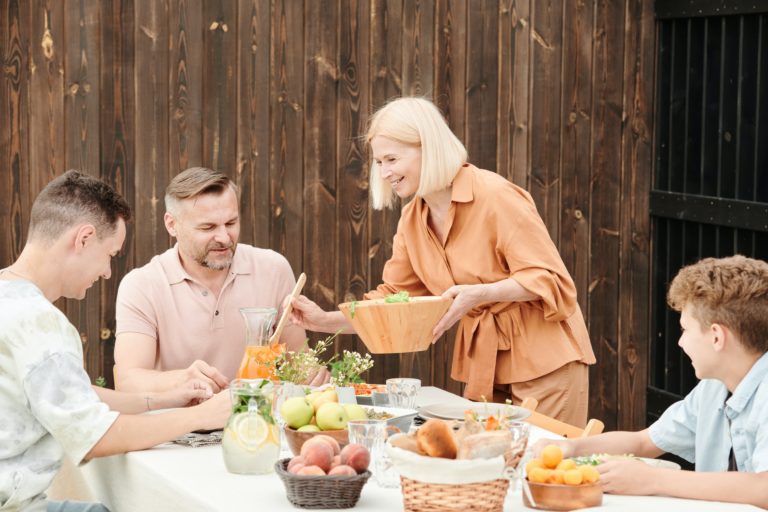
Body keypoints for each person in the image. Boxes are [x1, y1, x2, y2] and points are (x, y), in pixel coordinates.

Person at [289, 97, 595, 425]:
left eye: (391, 158)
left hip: (545, 361)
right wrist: (324, 321)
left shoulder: (496, 197)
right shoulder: (411, 220)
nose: (384, 172)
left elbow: (553, 281)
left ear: (429, 148)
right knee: (486, 466)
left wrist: (481, 294)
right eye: (379, 162)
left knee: (539, 468)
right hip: (485, 364)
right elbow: (392, 304)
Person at [0, 170, 230, 512]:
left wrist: (162, 400)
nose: (108, 272)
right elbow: (95, 437)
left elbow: (68, 393)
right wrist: (204, 416)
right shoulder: (40, 324)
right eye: (110, 254)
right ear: (84, 238)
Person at [531, 255, 768, 508]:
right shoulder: (714, 387)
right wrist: (571, 448)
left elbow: (764, 488)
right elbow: (644, 442)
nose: (680, 342)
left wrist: (653, 479)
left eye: (685, 329)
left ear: (716, 337)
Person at [113, 167, 325, 394]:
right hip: (178, 425)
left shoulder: (274, 269)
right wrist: (185, 380)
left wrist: (313, 378)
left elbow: (299, 362)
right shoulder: (141, 285)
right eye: (208, 227)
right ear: (171, 224)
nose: (224, 238)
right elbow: (129, 380)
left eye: (231, 223)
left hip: (257, 422)